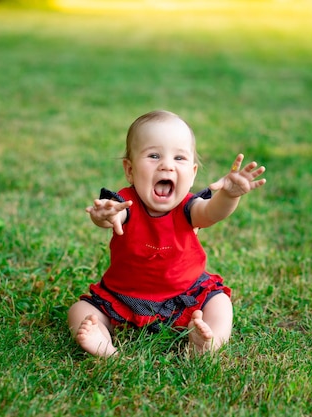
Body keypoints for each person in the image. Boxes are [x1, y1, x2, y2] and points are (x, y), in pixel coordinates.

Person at [68, 110, 266, 357]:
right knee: (80, 310)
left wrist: (229, 195)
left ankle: (207, 344)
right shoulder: (126, 203)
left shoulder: (189, 207)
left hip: (185, 294)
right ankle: (103, 344)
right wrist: (105, 215)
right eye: (153, 155)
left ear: (193, 173)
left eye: (179, 158)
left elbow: (212, 212)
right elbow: (116, 216)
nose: (167, 165)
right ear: (129, 170)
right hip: (124, 296)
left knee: (220, 303)